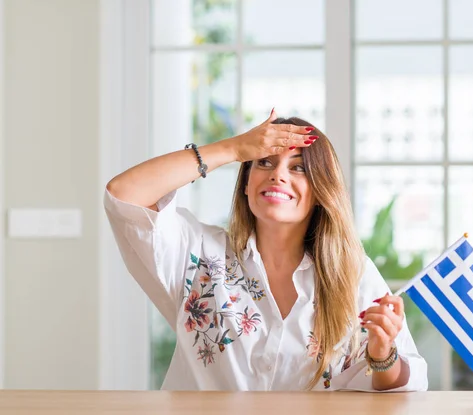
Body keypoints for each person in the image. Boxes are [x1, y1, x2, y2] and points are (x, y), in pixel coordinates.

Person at [104, 109, 428, 392]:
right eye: (265, 162)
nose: (278, 174)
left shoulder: (352, 273)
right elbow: (124, 195)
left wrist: (383, 355)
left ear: (320, 192)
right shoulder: (200, 254)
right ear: (246, 184)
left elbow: (399, 383)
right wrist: (232, 149)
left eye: (298, 168)